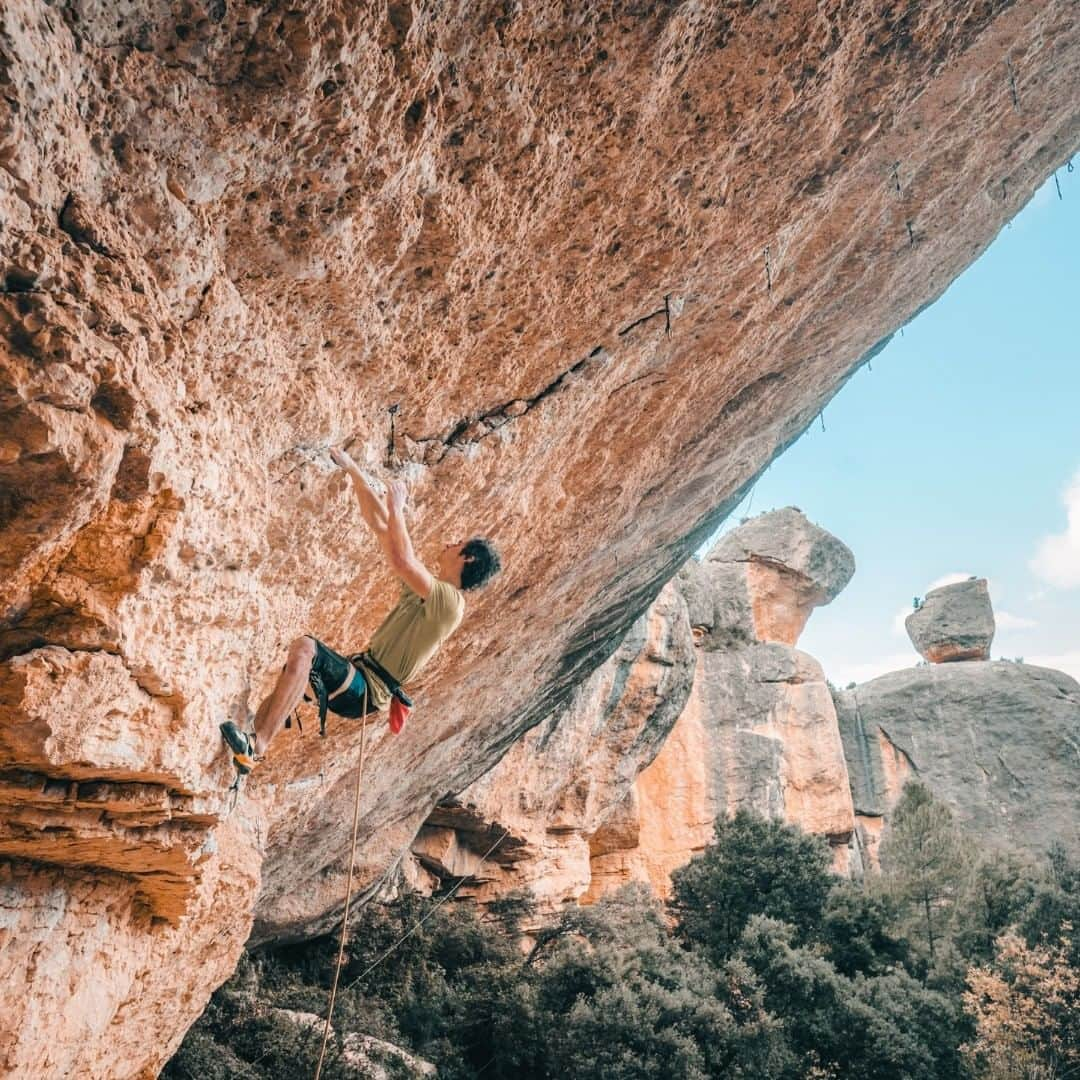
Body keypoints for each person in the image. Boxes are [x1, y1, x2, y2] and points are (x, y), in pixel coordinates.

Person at [220, 446, 501, 774]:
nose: (450, 543)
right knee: (295, 673)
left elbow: (402, 558)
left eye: (458, 544)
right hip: (359, 680)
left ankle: (258, 745)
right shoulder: (425, 592)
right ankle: (250, 744)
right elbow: (382, 528)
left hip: (367, 689)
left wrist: (399, 509)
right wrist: (353, 471)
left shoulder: (451, 603)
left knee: (306, 648)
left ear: (469, 559)